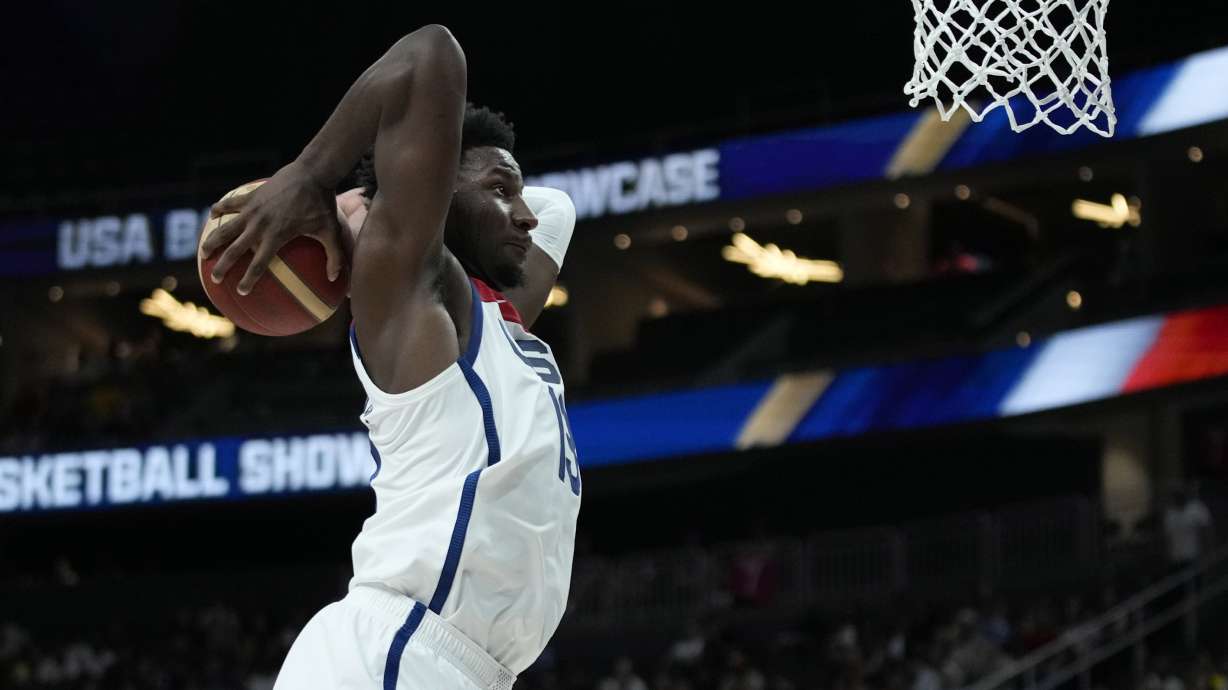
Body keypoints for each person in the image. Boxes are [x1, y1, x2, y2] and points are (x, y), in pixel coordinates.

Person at [200, 25, 579, 689]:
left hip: (455, 666)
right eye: (498, 190)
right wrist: (318, 180)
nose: (523, 214)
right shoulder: (418, 296)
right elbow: (431, 52)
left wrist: (466, 193)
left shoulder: (501, 317)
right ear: (436, 199)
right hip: (401, 652)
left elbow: (557, 208)